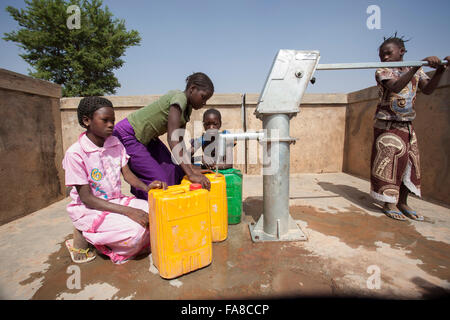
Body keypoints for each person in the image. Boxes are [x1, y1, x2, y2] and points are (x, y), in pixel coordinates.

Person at [63, 97, 167, 264]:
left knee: (159, 213)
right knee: (135, 234)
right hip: (91, 208)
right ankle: (89, 235)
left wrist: (147, 188)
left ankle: (107, 235)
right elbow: (87, 198)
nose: (111, 125)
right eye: (105, 120)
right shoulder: (75, 154)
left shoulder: (115, 143)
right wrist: (129, 212)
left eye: (112, 120)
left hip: (116, 201)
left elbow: (128, 175)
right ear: (87, 120)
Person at [370, 33, 449, 221]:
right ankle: (388, 202)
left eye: (388, 53)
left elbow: (428, 89)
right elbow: (396, 87)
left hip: (407, 125)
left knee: (409, 165)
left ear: (402, 52)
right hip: (387, 123)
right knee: (389, 163)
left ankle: (403, 202)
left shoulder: (415, 71)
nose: (385, 58)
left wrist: (439, 70)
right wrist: (416, 66)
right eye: (382, 55)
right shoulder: (383, 71)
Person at [113, 72, 214, 200]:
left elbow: (181, 143)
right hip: (128, 135)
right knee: (160, 181)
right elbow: (173, 139)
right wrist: (191, 174)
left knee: (175, 171)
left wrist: (191, 168)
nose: (204, 102)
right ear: (192, 89)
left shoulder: (187, 109)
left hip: (148, 140)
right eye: (203, 97)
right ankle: (147, 203)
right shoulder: (179, 98)